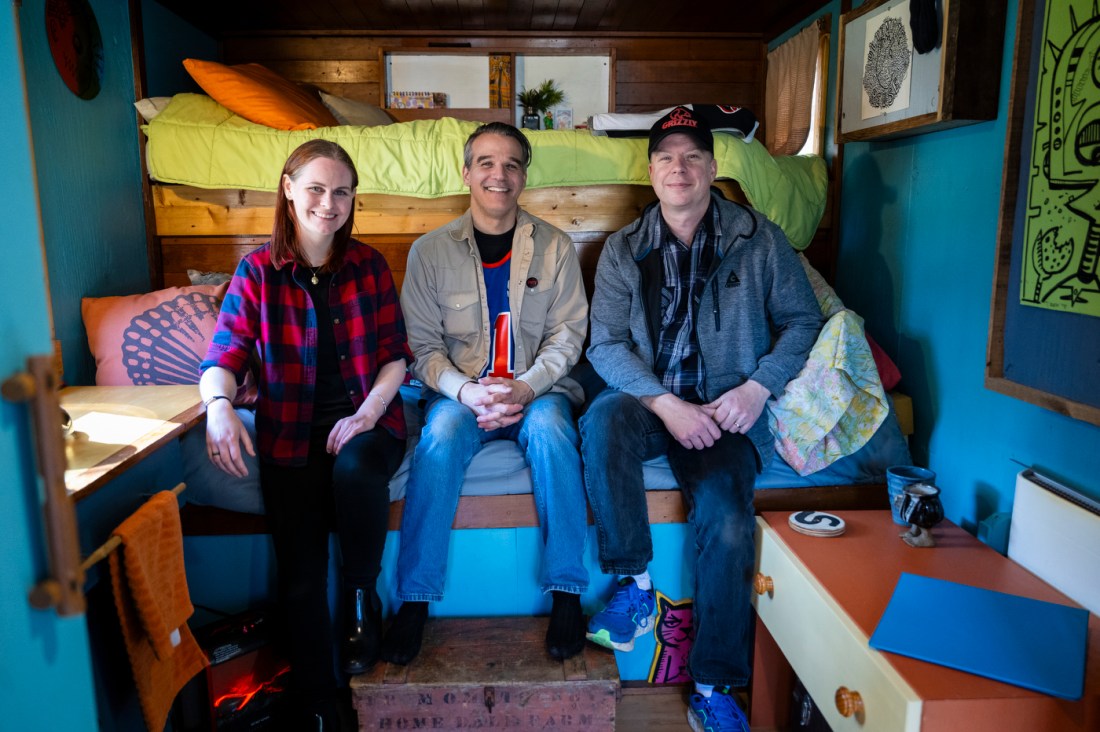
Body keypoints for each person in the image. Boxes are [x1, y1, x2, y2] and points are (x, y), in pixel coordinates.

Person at [580, 107, 823, 731]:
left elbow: (803, 321)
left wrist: (757, 390)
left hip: (724, 411)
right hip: (652, 403)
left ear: (713, 169)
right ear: (652, 171)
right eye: (666, 158)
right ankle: (633, 585)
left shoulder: (758, 238)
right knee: (601, 422)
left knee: (729, 519)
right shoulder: (623, 249)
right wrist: (663, 403)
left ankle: (714, 686)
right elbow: (604, 343)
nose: (679, 168)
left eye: (692, 157)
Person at [200, 139, 412, 730]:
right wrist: (218, 406)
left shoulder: (368, 264)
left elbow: (397, 356)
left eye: (341, 191)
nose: (329, 202)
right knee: (298, 575)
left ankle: (363, 597)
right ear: (289, 190)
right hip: (289, 434)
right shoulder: (256, 272)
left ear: (352, 201)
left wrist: (368, 412)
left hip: (368, 419)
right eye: (316, 188)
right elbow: (226, 353)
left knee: (355, 466)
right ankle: (321, 701)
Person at [381, 122, 590, 665]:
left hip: (536, 389)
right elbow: (422, 348)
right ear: (467, 173)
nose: (500, 175)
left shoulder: (556, 247)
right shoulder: (429, 252)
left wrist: (525, 386)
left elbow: (568, 336)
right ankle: (415, 600)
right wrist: (466, 393)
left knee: (551, 430)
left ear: (523, 176)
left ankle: (567, 591)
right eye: (487, 164)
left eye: (513, 164)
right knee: (441, 433)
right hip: (461, 395)